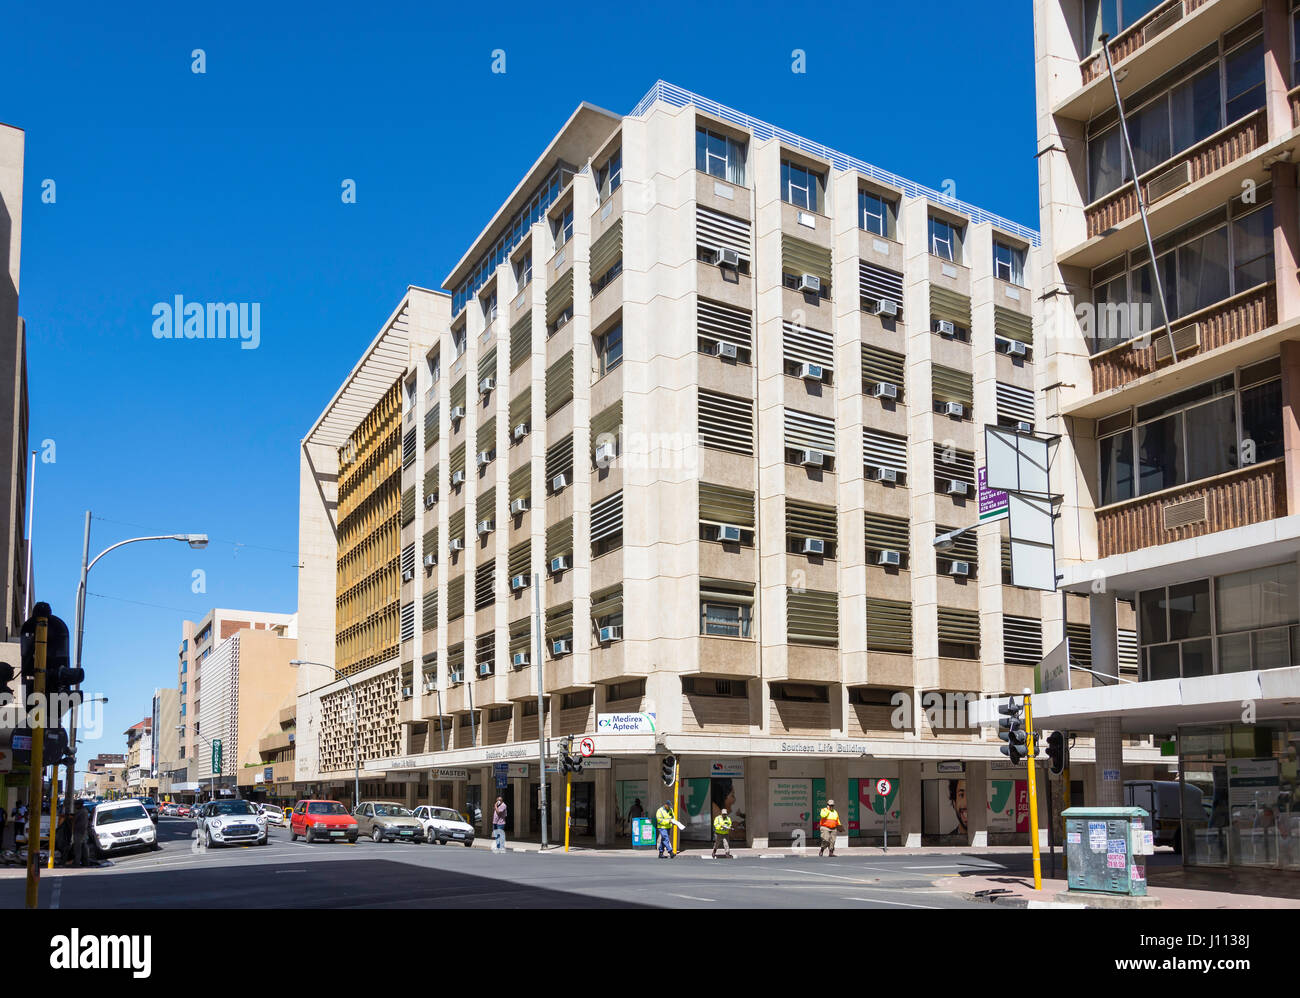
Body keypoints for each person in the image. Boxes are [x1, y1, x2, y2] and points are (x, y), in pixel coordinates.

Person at [71, 800, 90, 868]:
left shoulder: (81, 812)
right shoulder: (84, 811)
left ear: (79, 805)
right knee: (83, 847)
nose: (75, 806)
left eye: (76, 805)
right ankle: (85, 862)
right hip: (83, 832)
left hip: (79, 832)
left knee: (78, 848)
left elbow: (74, 819)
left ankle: (77, 862)